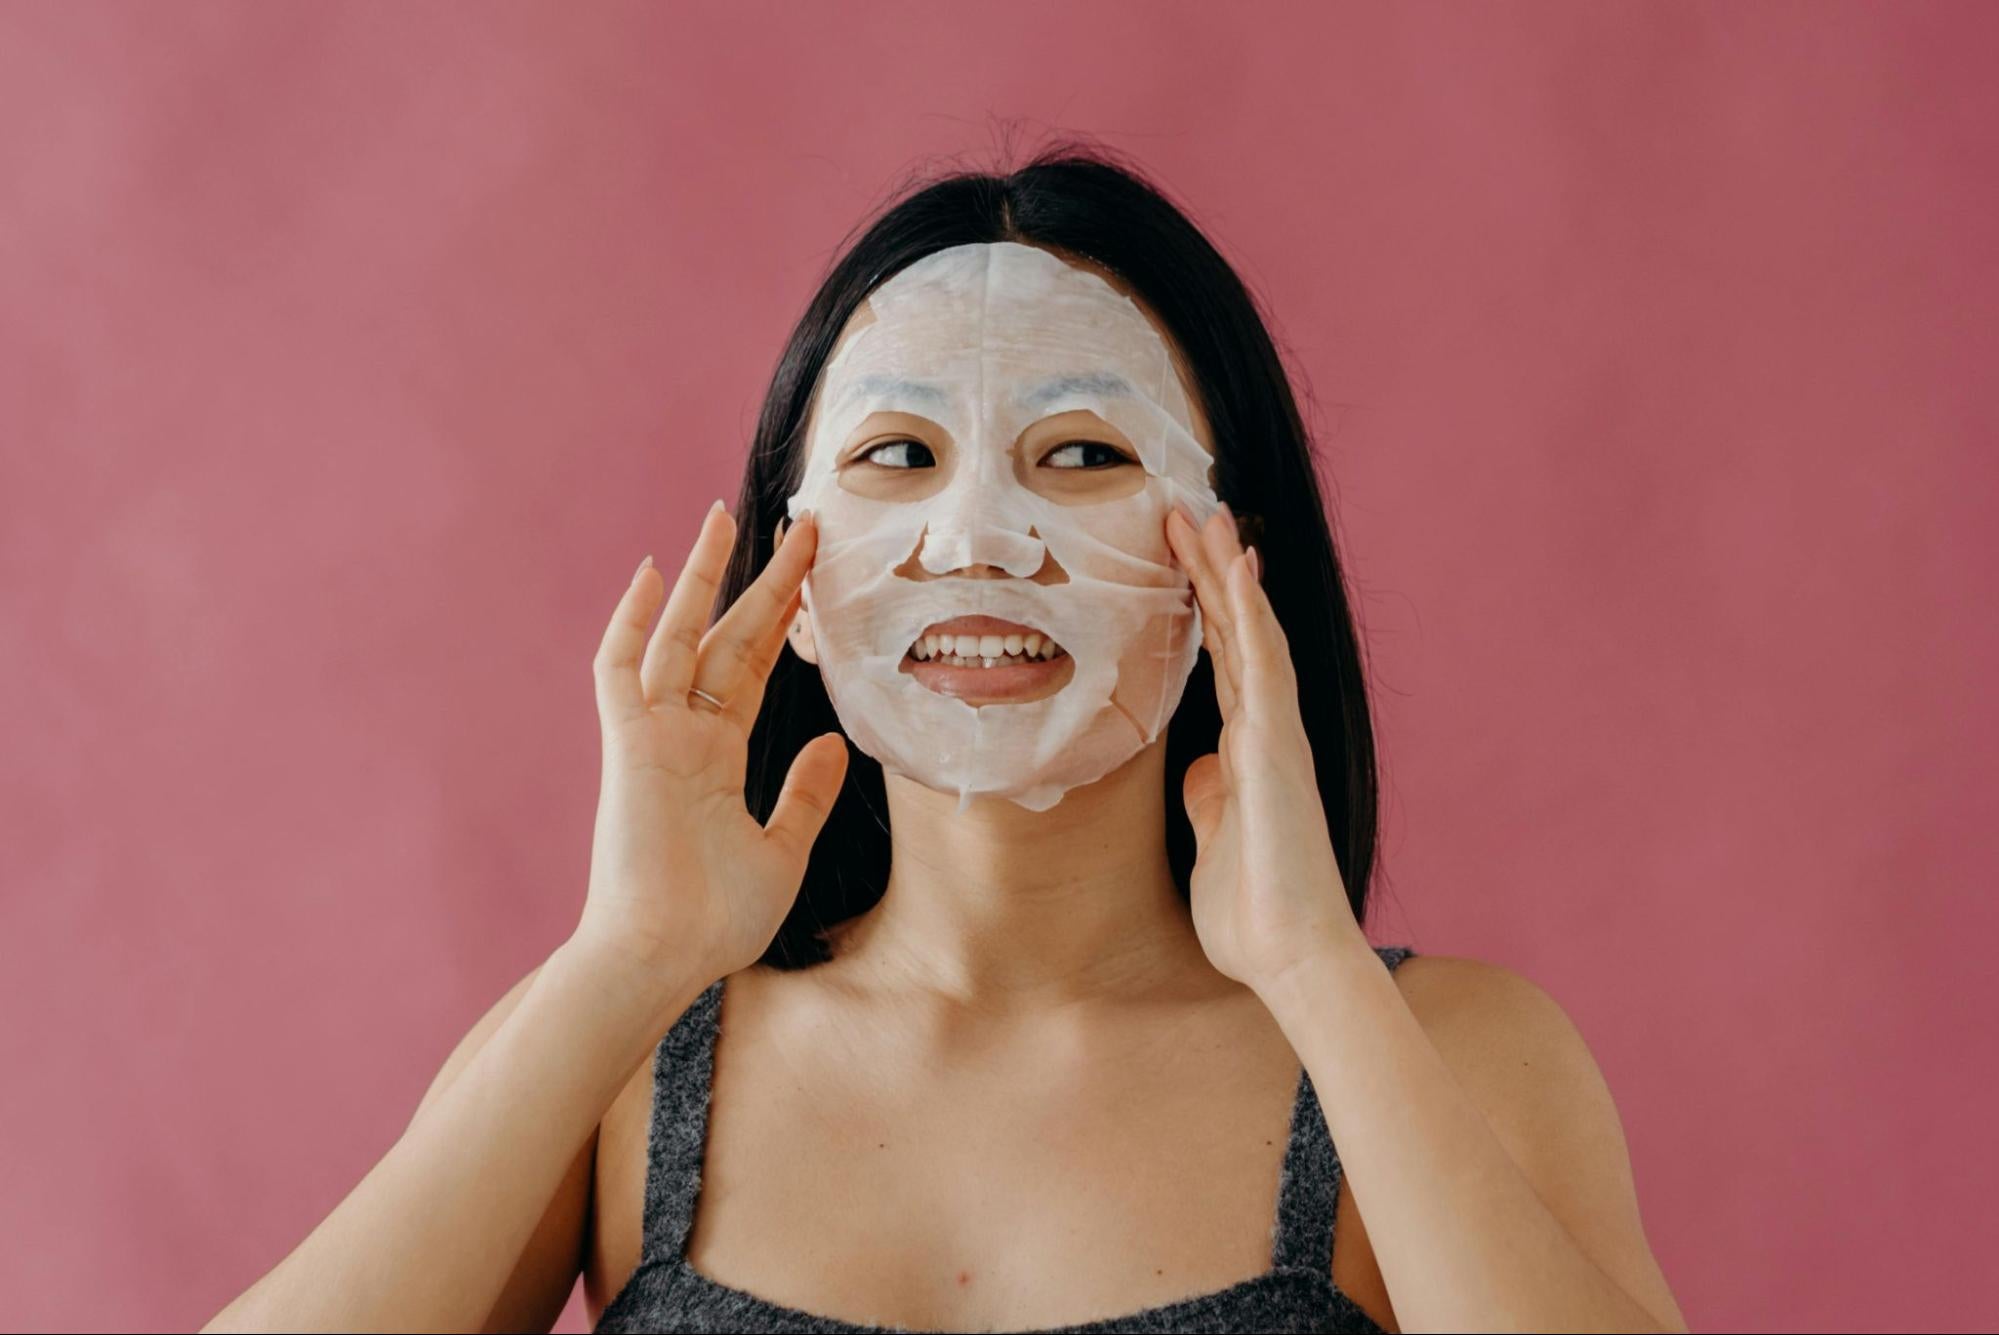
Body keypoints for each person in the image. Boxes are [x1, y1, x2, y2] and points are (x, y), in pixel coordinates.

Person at [202, 145, 1688, 1334]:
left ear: (1228, 550)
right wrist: (627, 961)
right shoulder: (622, 1058)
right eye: (897, 458)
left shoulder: (1457, 1059)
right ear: (795, 558)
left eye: (1086, 456)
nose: (976, 536)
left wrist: (1315, 974)